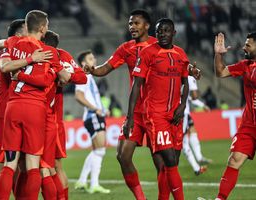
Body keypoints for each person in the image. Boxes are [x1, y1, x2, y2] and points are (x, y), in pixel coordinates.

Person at [85, 9, 200, 200]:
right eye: (130, 24)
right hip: (137, 112)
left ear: (147, 26)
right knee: (122, 156)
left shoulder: (160, 43)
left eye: (136, 23)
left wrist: (191, 71)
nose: (132, 27)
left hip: (158, 111)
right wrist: (92, 70)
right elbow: (106, 67)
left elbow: (179, 63)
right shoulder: (126, 49)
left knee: (163, 164)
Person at [0, 10, 70, 200]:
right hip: (34, 110)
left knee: (9, 164)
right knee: (33, 166)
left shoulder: (13, 43)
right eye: (46, 25)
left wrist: (24, 62)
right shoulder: (49, 52)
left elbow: (4, 65)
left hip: (12, 107)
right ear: (42, 28)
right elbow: (66, 76)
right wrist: (51, 69)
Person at [124, 18, 190, 200]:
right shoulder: (147, 53)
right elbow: (136, 86)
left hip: (175, 114)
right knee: (169, 160)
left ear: (174, 33)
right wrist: (130, 118)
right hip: (155, 114)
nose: (162, 34)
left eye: (166, 31)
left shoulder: (181, 54)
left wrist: (182, 105)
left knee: (172, 163)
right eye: (159, 31)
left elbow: (186, 83)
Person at [0, 19, 29, 200]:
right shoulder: (9, 50)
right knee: (2, 165)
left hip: (18, 112)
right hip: (5, 114)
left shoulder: (13, 52)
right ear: (19, 34)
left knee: (20, 164)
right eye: (28, 29)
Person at [214, 32, 256, 200]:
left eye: (248, 44)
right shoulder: (245, 65)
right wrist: (218, 54)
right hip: (249, 125)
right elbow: (220, 72)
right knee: (234, 160)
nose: (244, 47)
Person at [74, 50, 110, 194]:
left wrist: (102, 108)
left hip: (93, 115)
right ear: (83, 63)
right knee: (100, 150)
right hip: (92, 116)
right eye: (90, 58)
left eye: (94, 57)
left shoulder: (89, 77)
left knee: (96, 150)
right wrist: (95, 109)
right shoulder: (84, 75)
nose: (94, 60)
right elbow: (78, 96)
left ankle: (82, 181)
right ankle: (94, 184)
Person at [182, 75, 211, 176]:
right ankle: (196, 167)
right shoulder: (189, 78)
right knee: (183, 142)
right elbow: (194, 96)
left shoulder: (173, 76)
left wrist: (202, 105)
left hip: (183, 113)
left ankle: (198, 158)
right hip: (182, 113)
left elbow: (189, 98)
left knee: (192, 131)